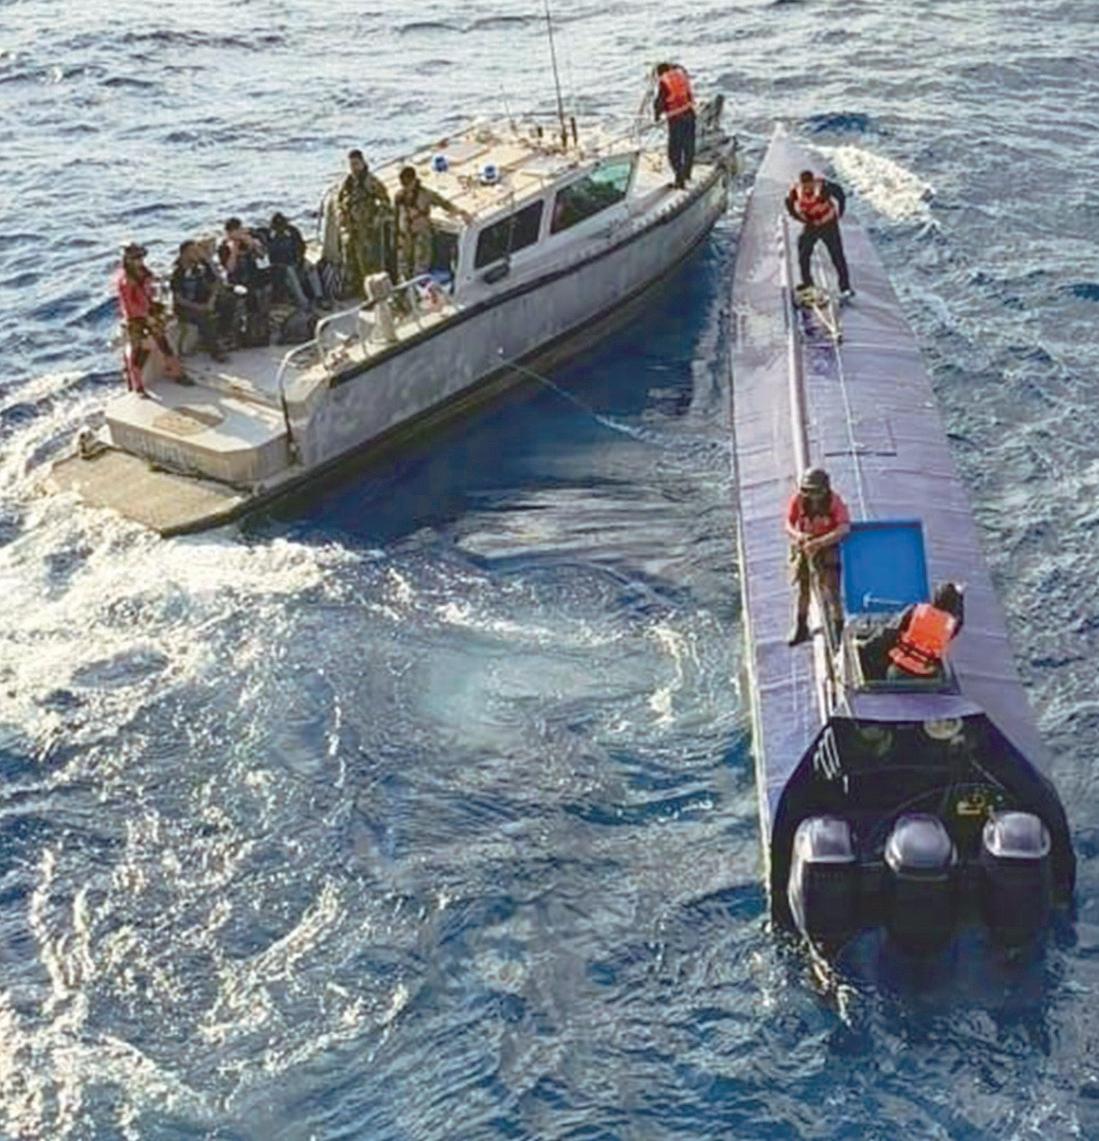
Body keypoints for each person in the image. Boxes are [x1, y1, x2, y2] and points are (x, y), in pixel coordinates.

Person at [784, 467, 851, 646]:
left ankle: (837, 632)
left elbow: (844, 528)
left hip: (827, 547)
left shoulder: (834, 502)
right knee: (803, 590)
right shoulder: (799, 500)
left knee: (832, 591)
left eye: (815, 491)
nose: (812, 496)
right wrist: (799, 536)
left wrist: (821, 542)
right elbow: (788, 523)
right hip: (805, 547)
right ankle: (801, 628)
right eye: (808, 491)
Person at [115, 243, 187, 396]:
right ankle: (138, 385)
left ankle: (176, 372)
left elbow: (147, 294)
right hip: (135, 319)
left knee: (163, 343)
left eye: (141, 257)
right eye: (135, 258)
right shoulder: (125, 280)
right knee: (139, 351)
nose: (139, 260)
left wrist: (155, 306)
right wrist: (146, 317)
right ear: (127, 259)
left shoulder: (144, 272)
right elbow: (129, 305)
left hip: (149, 312)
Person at [393, 165, 472, 282]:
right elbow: (396, 215)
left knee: (421, 264)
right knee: (403, 264)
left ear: (413, 180)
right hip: (406, 236)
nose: (406, 186)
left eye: (408, 183)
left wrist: (460, 212)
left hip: (422, 235)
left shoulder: (425, 194)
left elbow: (444, 203)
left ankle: (419, 285)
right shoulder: (399, 196)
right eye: (404, 183)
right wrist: (397, 234)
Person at [784, 169, 854, 300]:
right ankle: (807, 283)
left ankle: (845, 287)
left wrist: (841, 211)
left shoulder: (823, 187)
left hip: (828, 225)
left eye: (809, 184)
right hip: (811, 225)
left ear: (813, 181)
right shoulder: (796, 191)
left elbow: (840, 193)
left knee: (837, 256)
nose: (807, 188)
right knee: (803, 253)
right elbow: (788, 203)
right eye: (805, 185)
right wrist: (797, 217)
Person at [337, 149, 392, 295]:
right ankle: (355, 287)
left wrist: (377, 218)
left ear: (362, 163)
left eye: (356, 164)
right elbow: (340, 202)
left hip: (367, 228)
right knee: (351, 260)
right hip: (352, 228)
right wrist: (342, 216)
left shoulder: (371, 181)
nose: (353, 168)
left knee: (369, 262)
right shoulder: (347, 183)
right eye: (351, 165)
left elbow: (385, 201)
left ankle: (372, 291)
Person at [170, 239, 234, 362]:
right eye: (193, 251)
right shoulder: (178, 273)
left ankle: (224, 335)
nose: (197, 254)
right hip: (186, 307)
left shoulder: (200, 267)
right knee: (204, 317)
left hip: (203, 300)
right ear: (185, 253)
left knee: (228, 300)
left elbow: (216, 282)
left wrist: (211, 300)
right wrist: (199, 307)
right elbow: (179, 299)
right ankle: (216, 351)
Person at [887, 582, 965, 680]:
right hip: (925, 675)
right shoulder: (951, 624)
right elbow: (960, 620)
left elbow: (899, 626)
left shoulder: (918, 609)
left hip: (898, 669)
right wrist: (960, 597)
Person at [266, 211, 325, 310]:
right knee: (290, 273)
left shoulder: (292, 231)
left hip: (295, 261)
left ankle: (319, 296)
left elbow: (301, 246)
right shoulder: (269, 237)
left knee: (310, 267)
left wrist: (300, 259)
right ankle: (304, 302)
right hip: (281, 267)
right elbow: (270, 255)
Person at [653, 62, 696, 190]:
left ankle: (680, 179)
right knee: (688, 148)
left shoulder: (664, 80)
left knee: (674, 152)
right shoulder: (681, 76)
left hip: (677, 119)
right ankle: (687, 174)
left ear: (659, 73)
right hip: (690, 115)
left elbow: (660, 102)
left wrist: (656, 116)